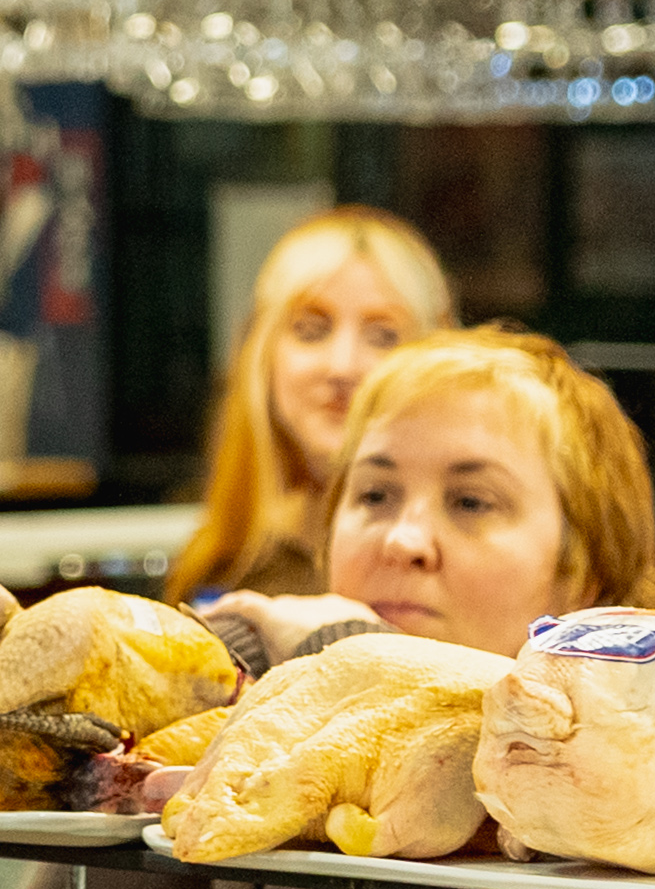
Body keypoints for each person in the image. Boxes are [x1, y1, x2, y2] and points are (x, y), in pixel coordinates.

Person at [231, 325, 655, 889]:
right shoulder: (256, 738)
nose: (405, 540)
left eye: (471, 502)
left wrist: (349, 664)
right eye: (375, 495)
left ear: (581, 570)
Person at [165, 204, 455, 605]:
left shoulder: (462, 574)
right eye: (311, 331)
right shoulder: (219, 570)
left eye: (383, 336)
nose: (342, 367)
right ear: (263, 358)